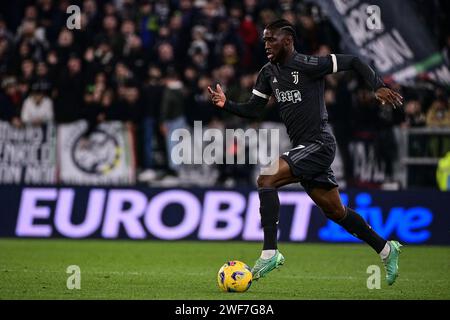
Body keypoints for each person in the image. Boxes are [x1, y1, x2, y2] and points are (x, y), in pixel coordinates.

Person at [208, 19, 404, 285]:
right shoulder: (268, 73)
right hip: (304, 148)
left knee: (267, 178)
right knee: (336, 212)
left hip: (319, 143)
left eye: (270, 39)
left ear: (287, 41)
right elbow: (255, 109)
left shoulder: (309, 65)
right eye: (264, 39)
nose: (265, 44)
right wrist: (227, 104)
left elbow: (355, 60)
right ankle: (385, 249)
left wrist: (377, 84)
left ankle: (270, 252)